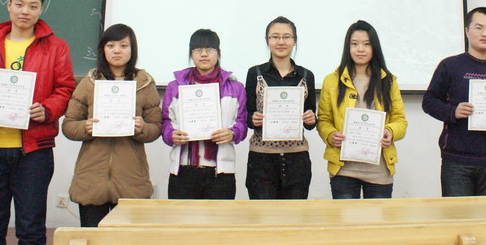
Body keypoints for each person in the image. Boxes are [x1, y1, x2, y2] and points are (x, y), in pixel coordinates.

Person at [0, 0, 75, 245]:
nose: (25, 11)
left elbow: (65, 89)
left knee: (31, 227)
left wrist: (47, 109)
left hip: (34, 151)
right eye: (20, 4)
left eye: (33, 6)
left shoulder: (56, 47)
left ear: (40, 10)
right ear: (9, 5)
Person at [62, 24, 162, 227]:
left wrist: (142, 128)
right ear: (103, 49)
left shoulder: (144, 84)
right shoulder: (89, 83)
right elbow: (68, 125)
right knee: (93, 237)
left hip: (131, 180)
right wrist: (85, 127)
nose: (117, 51)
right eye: (111, 45)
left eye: (123, 46)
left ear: (132, 49)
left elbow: (156, 128)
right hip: (91, 179)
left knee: (124, 239)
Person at [422, 6, 486, 197]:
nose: (485, 33)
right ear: (467, 31)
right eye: (479, 27)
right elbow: (429, 101)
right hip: (457, 161)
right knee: (459, 215)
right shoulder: (450, 65)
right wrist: (453, 112)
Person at [317, 20, 407, 199]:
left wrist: (390, 131)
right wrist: (330, 135)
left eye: (367, 44)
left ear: (374, 48)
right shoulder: (331, 81)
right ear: (347, 47)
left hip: (379, 169)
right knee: (346, 217)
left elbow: (400, 120)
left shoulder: (388, 81)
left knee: (377, 217)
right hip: (343, 169)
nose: (360, 49)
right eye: (354, 44)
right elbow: (324, 119)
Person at [161, 29, 247, 199]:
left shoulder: (235, 88)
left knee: (219, 217)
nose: (204, 54)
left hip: (220, 172)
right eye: (198, 50)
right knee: (181, 217)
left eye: (210, 49)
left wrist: (232, 133)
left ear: (218, 53)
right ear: (191, 54)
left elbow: (242, 123)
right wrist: (171, 134)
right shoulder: (175, 87)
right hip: (183, 170)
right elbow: (165, 121)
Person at [245, 16, 317, 199]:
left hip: (297, 159)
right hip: (261, 159)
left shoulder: (306, 75)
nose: (281, 42)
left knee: (294, 214)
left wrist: (311, 118)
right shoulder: (255, 73)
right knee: (263, 213)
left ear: (295, 40)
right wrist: (253, 118)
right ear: (267, 40)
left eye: (286, 37)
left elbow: (310, 121)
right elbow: (247, 115)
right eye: (275, 37)